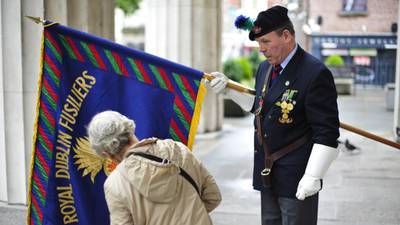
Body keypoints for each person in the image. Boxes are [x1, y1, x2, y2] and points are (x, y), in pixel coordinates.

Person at [209, 5, 340, 225]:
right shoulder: (265, 68)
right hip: (267, 170)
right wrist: (229, 90)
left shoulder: (315, 73)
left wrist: (313, 176)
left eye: (266, 42)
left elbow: (326, 132)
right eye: (259, 43)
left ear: (286, 36)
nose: (261, 49)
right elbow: (262, 107)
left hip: (297, 176)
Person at [87, 110, 221, 225]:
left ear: (105, 153)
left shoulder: (114, 184)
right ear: (130, 128)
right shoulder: (177, 150)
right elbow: (213, 196)